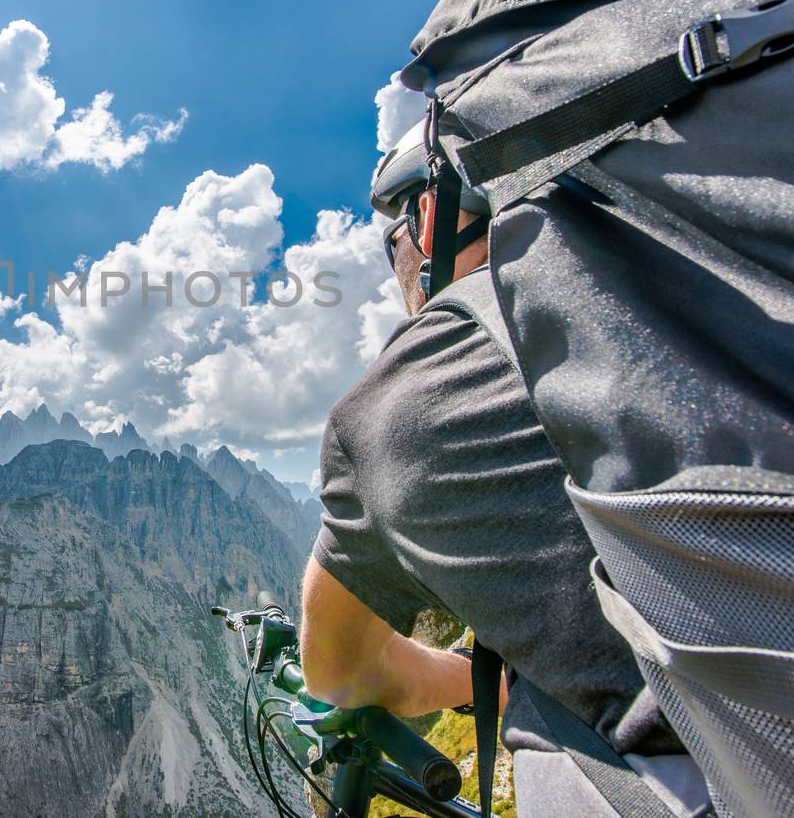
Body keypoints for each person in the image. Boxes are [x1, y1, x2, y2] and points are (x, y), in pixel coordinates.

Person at [298, 120, 709, 817]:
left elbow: (343, 676)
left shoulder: (404, 402)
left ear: (426, 220)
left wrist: (474, 678)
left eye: (389, 245)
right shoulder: (714, 286)